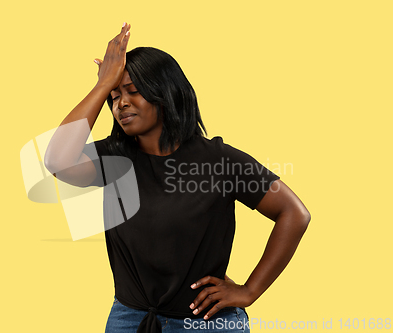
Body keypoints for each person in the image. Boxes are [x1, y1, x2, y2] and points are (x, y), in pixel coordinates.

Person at [44, 22, 311, 333]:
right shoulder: (113, 159)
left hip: (206, 322)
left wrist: (249, 291)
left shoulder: (219, 160)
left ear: (166, 94)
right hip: (130, 320)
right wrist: (103, 85)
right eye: (114, 97)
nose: (121, 103)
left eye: (133, 91)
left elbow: (294, 213)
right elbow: (57, 160)